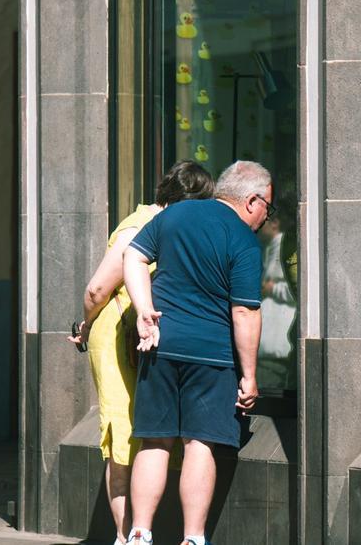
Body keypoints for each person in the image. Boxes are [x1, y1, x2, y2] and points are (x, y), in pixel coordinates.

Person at [122, 160, 272, 545]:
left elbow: (133, 257)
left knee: (154, 441)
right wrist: (250, 375)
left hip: (161, 345)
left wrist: (144, 310)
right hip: (212, 355)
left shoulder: (178, 213)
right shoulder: (242, 239)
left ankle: (139, 534)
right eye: (267, 208)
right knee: (199, 443)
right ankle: (192, 538)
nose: (265, 217)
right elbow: (244, 311)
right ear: (252, 201)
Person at [67, 161, 215, 545]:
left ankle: (140, 528)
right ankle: (124, 535)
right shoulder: (140, 225)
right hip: (117, 334)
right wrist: (85, 325)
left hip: (150, 336)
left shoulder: (174, 225)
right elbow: (97, 290)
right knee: (123, 430)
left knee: (147, 427)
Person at [256, 205, 296, 390]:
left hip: (278, 349)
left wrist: (272, 289)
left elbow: (296, 290)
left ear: (274, 223)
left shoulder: (283, 246)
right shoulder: (269, 248)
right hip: (267, 350)